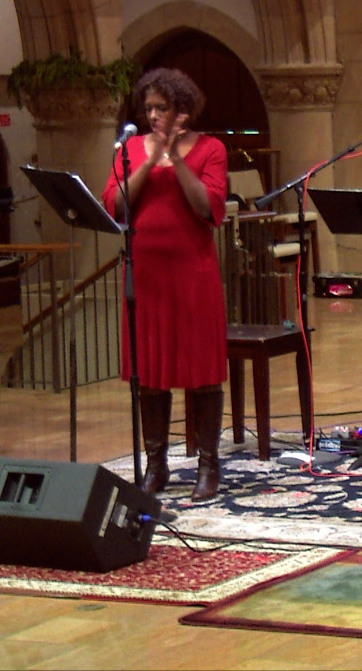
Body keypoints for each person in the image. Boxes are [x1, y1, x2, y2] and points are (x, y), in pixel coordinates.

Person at [102, 67, 228, 501]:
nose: (154, 115)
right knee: (150, 372)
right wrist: (151, 160)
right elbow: (115, 204)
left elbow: (209, 207)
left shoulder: (211, 149)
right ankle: (156, 466)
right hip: (146, 274)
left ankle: (208, 466)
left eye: (162, 107)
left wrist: (175, 162)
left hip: (193, 273)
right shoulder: (131, 150)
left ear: (183, 109)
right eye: (149, 108)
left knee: (201, 370)